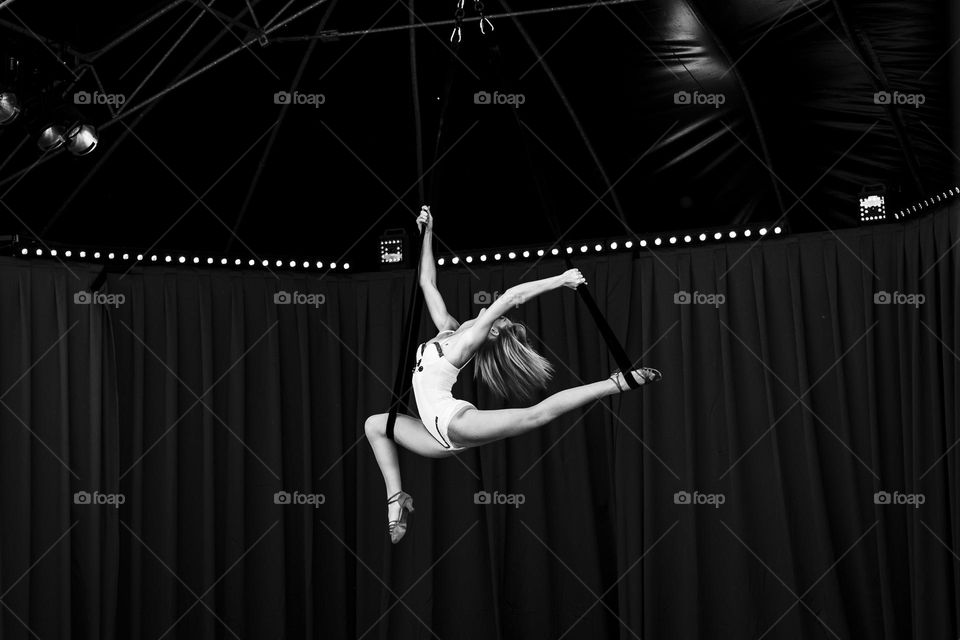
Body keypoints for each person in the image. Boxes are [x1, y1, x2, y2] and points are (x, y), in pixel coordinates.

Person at [364, 206, 661, 543]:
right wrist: (428, 233)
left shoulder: (465, 345)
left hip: (452, 423)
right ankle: (396, 498)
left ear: (491, 331)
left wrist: (562, 280)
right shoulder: (447, 330)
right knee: (374, 425)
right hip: (431, 438)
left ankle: (616, 383)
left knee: (535, 415)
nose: (487, 313)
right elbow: (426, 281)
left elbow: (512, 296)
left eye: (494, 318)